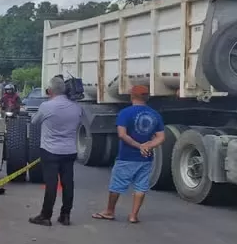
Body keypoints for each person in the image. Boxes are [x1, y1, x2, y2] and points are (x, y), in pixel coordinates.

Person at [93, 85, 165, 223]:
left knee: (117, 185)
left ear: (132, 96)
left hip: (126, 156)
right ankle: (133, 215)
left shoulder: (125, 113)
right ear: (147, 97)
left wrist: (139, 146)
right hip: (146, 158)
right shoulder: (155, 114)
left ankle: (109, 211)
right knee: (141, 186)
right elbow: (161, 137)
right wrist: (148, 146)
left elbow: (122, 135)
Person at [29, 76, 83, 226]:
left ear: (49, 90)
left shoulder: (46, 106)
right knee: (68, 183)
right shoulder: (76, 107)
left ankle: (45, 216)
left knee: (51, 184)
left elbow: (34, 121)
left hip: (50, 150)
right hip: (70, 150)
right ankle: (65, 215)